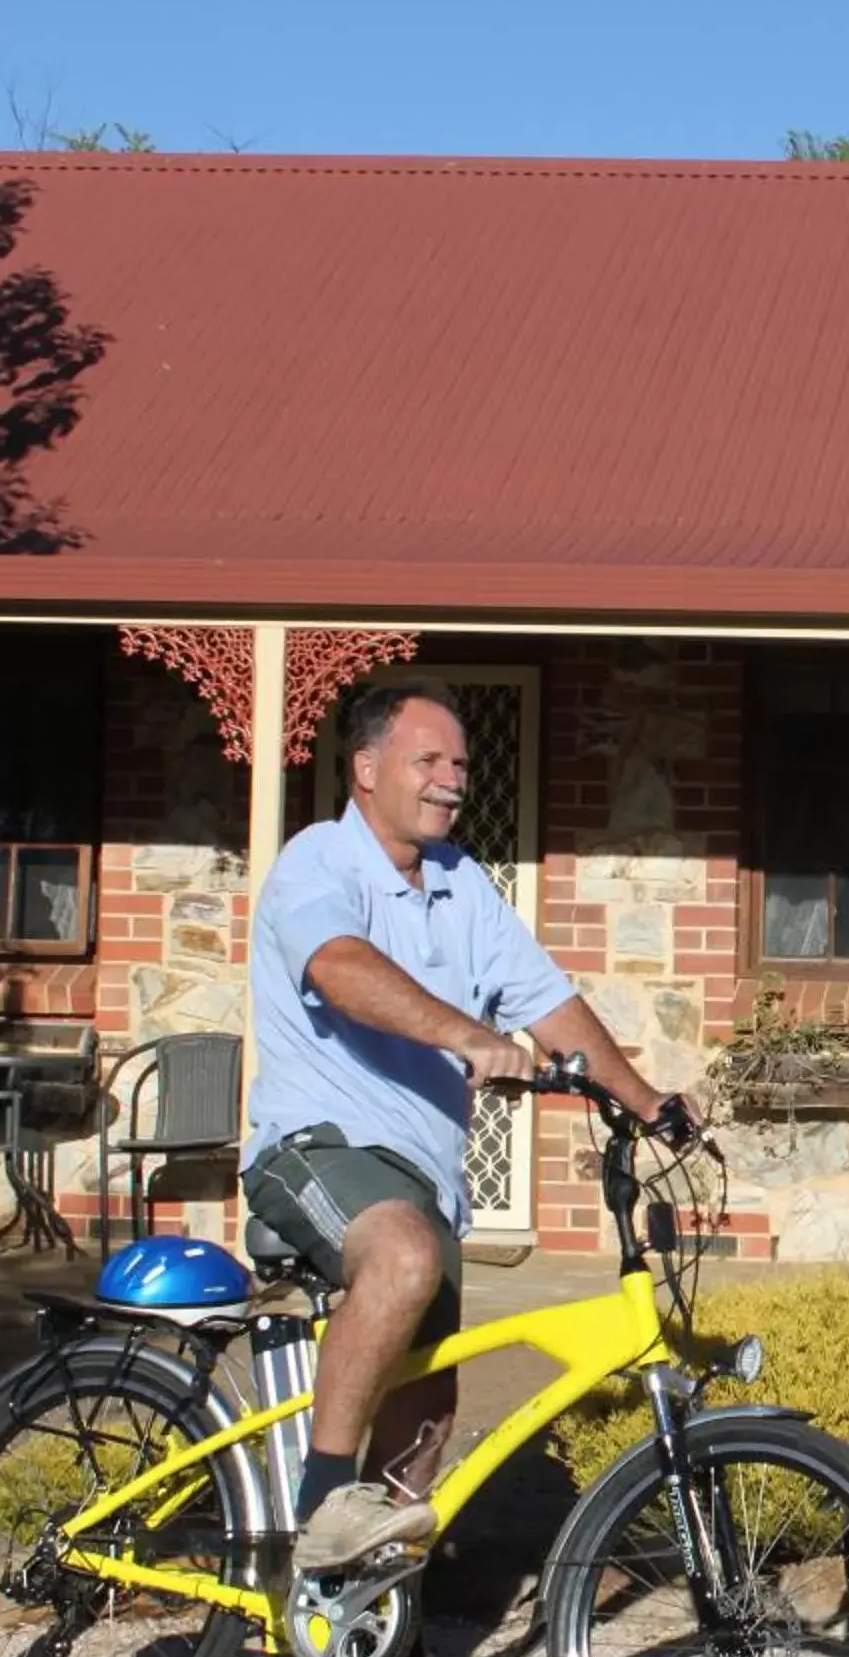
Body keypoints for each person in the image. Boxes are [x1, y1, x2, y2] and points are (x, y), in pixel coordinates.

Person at [239, 677, 684, 1580]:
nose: (452, 780)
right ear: (366, 769)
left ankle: (366, 1652)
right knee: (402, 1259)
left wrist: (648, 1104)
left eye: (462, 764)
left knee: (423, 1438)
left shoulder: (462, 884)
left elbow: (549, 1005)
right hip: (314, 1148)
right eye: (429, 760)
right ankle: (323, 1504)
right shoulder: (321, 862)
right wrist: (469, 1037)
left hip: (422, 1182)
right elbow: (338, 967)